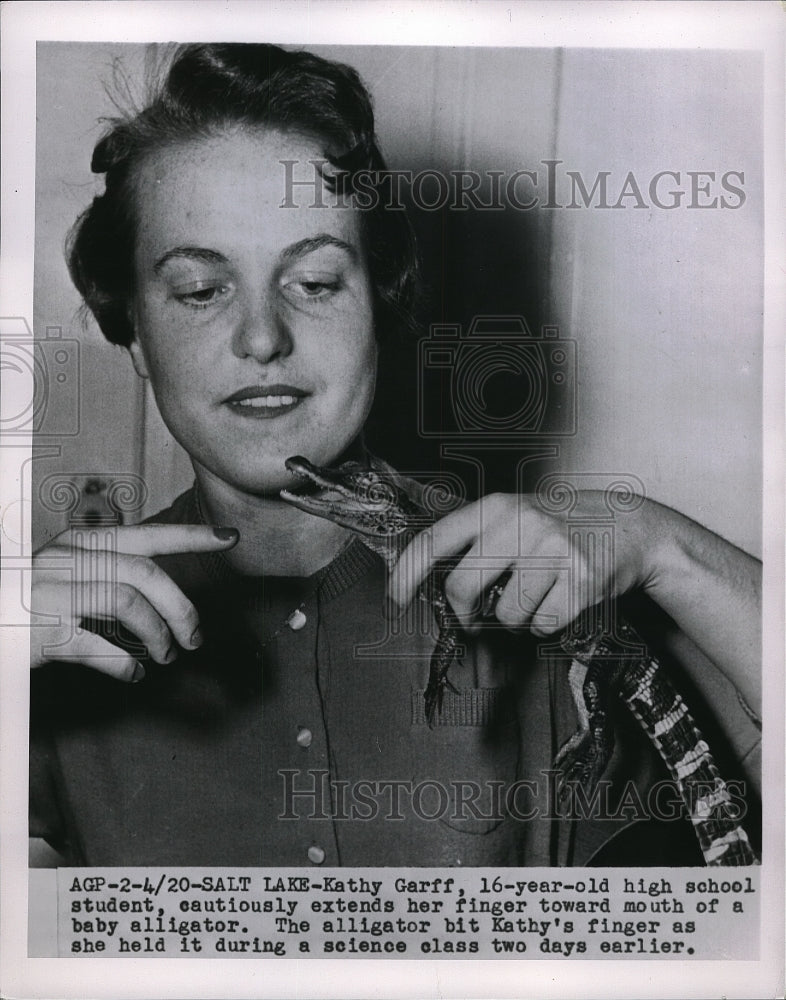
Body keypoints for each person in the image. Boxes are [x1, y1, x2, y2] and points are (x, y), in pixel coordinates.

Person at [29, 43, 761, 867]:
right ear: (133, 330)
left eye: (316, 282)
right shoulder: (56, 639)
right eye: (200, 291)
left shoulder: (551, 585)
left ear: (382, 299)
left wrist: (664, 547)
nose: (263, 338)